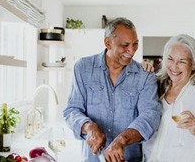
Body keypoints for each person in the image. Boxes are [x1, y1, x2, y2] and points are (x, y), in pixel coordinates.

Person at [63, 17, 162, 162]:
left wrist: (122, 140)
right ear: (108, 43)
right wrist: (88, 127)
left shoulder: (145, 75)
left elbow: (150, 116)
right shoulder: (83, 68)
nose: (131, 50)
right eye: (125, 45)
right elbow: (72, 110)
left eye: (135, 44)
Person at [143, 34, 195, 162]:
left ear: (193, 64)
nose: (174, 66)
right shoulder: (157, 84)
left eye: (182, 61)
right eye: (170, 59)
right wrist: (142, 72)